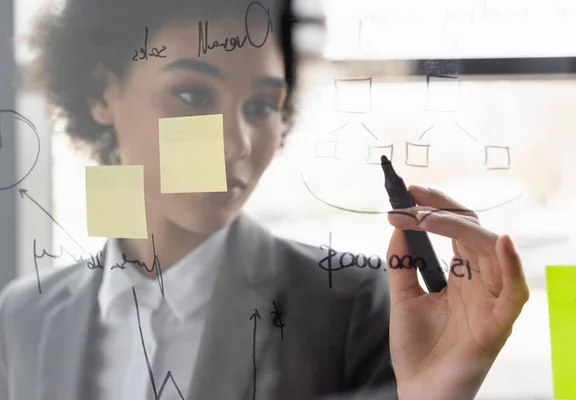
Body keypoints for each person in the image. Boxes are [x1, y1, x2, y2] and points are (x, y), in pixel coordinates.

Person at [0, 0, 530, 399]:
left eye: (260, 106)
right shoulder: (26, 316)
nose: (235, 144)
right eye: (193, 95)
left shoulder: (369, 311)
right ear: (101, 95)